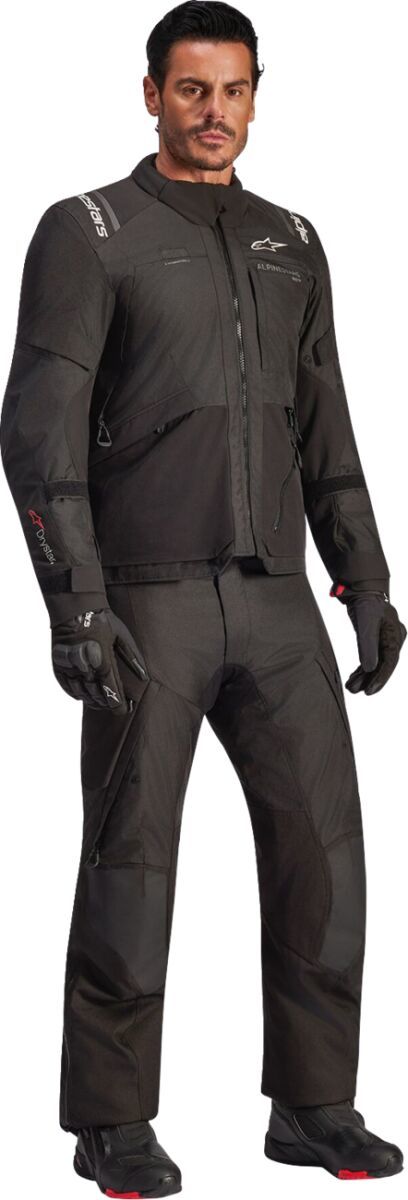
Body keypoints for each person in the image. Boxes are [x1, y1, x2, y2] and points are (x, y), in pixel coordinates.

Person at [1, 0, 406, 1191]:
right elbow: (39, 430)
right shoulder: (91, 231)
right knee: (132, 861)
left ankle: (315, 1107)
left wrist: (366, 579)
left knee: (325, 854)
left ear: (254, 98)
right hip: (149, 599)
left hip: (278, 600)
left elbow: (325, 424)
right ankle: (111, 1123)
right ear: (152, 96)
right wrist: (76, 602)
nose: (213, 111)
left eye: (233, 90)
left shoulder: (293, 240)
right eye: (191, 89)